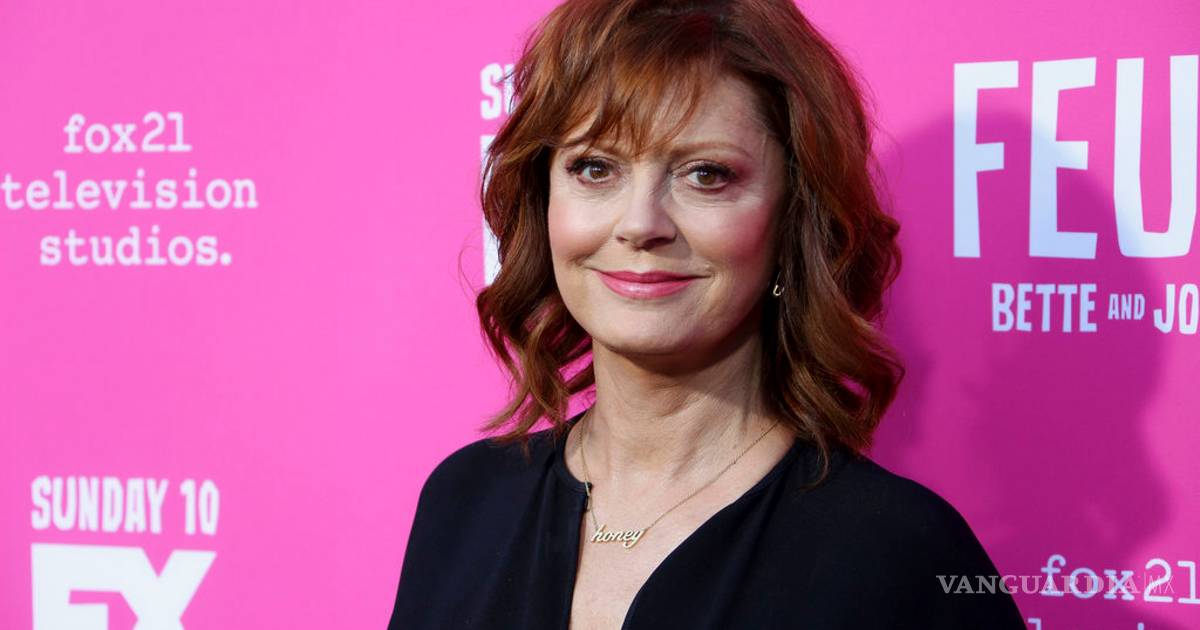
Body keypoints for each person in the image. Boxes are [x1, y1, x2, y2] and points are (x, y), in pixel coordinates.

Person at [388, 0, 1025, 628]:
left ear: (793, 219)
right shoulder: (465, 501)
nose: (640, 223)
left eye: (706, 175)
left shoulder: (900, 555)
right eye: (595, 167)